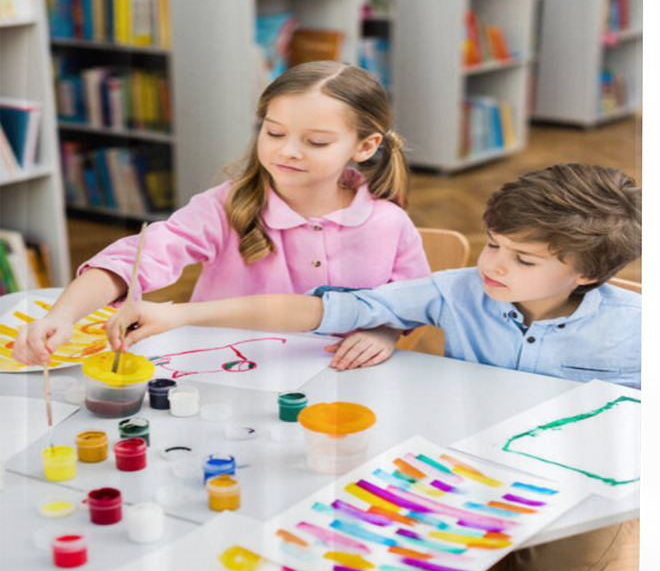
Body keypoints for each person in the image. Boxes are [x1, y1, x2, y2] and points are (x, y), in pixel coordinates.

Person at [100, 162, 641, 571]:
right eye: (494, 245)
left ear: (587, 274)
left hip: (580, 490)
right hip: (467, 473)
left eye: (524, 260)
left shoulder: (638, 328)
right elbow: (320, 310)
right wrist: (181, 313)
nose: (494, 265)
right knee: (370, 558)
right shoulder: (457, 291)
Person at [12, 61, 431, 371]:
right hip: (220, 372)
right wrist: (62, 315)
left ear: (365, 146)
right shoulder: (225, 206)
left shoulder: (388, 224)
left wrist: (384, 331)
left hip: (337, 378)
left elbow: (412, 303)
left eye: (316, 141)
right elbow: (135, 258)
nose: (287, 150)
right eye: (274, 132)